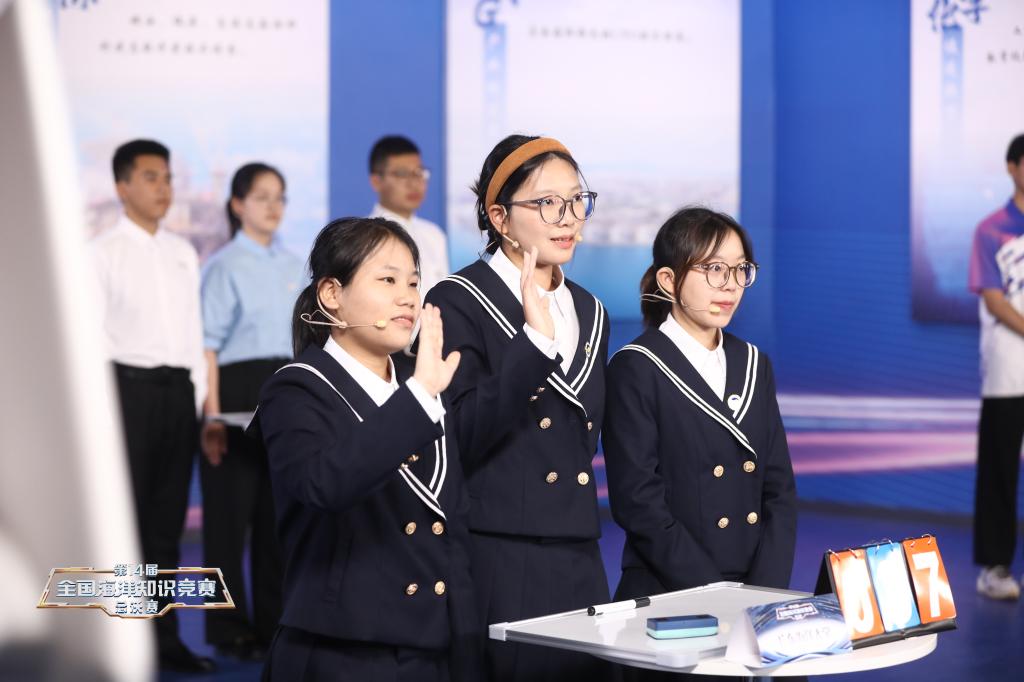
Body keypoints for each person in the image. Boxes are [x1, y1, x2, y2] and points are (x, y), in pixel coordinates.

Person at [251, 217, 480, 681]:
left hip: (433, 649)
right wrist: (420, 397)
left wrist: (467, 647)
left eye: (413, 282)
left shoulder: (423, 388)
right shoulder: (296, 388)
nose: (408, 297)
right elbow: (324, 484)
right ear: (331, 293)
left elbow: (452, 529)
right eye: (388, 280)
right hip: (342, 651)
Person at [425, 135, 613, 681]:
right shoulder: (458, 300)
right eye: (547, 202)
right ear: (500, 218)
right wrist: (532, 344)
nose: (568, 217)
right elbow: (459, 434)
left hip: (579, 544)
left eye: (576, 200)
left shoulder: (590, 309)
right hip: (500, 549)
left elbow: (583, 436)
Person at [603, 207, 796, 681]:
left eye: (740, 269)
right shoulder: (636, 366)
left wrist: (763, 596)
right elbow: (639, 504)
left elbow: (779, 492)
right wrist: (718, 596)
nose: (730, 285)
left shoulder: (754, 363)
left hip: (754, 601)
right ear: (668, 280)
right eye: (713, 269)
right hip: (671, 599)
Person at [89, 139, 214, 673]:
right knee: (125, 524)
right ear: (122, 187)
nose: (163, 188)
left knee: (166, 525)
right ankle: (123, 644)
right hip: (126, 392)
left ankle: (165, 640)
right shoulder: (100, 253)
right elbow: (91, 338)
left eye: (167, 178)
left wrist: (199, 402)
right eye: (150, 177)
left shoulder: (182, 253)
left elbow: (192, 334)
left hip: (176, 395)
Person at [198, 162, 302, 658]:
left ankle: (272, 625)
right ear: (237, 205)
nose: (273, 206)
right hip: (235, 392)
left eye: (279, 196)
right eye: (262, 197)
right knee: (227, 520)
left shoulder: (295, 264)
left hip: (284, 389)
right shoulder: (222, 265)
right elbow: (207, 348)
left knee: (275, 519)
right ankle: (226, 629)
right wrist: (212, 418)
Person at [969, 133, 1024, 601]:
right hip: (1008, 370)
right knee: (1001, 470)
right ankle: (995, 566)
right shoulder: (991, 230)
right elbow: (993, 297)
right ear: (1012, 167)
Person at [369, 135, 449, 293]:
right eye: (402, 174)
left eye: (419, 173)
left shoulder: (434, 235)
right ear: (376, 181)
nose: (413, 183)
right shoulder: (365, 238)